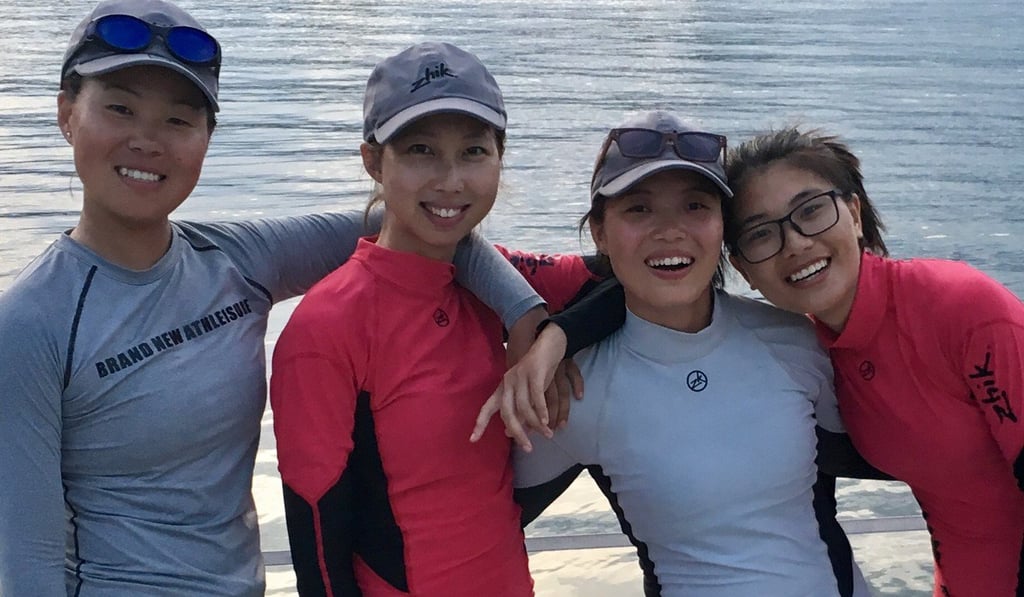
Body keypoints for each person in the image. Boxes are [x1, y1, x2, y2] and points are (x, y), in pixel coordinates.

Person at [0, 3, 545, 595]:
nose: (147, 141)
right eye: (120, 109)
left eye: (179, 121)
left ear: (207, 138)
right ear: (65, 114)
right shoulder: (32, 322)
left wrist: (530, 322)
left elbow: (432, 219)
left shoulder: (237, 260)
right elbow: (26, 558)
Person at [481, 110, 873, 596]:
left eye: (695, 206)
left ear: (721, 230)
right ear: (600, 234)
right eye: (639, 209)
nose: (671, 231)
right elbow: (478, 528)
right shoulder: (575, 389)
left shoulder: (793, 339)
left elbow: (891, 454)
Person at [269, 42, 600, 596]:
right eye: (421, 150)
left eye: (474, 152)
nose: (451, 181)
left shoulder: (500, 288)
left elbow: (626, 280)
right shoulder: (328, 324)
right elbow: (318, 547)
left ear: (500, 156)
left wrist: (551, 338)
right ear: (374, 161)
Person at [722, 126, 1024, 597]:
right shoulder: (811, 354)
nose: (796, 243)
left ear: (855, 213)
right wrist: (566, 336)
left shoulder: (961, 309)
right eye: (761, 234)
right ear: (744, 269)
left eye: (811, 210)